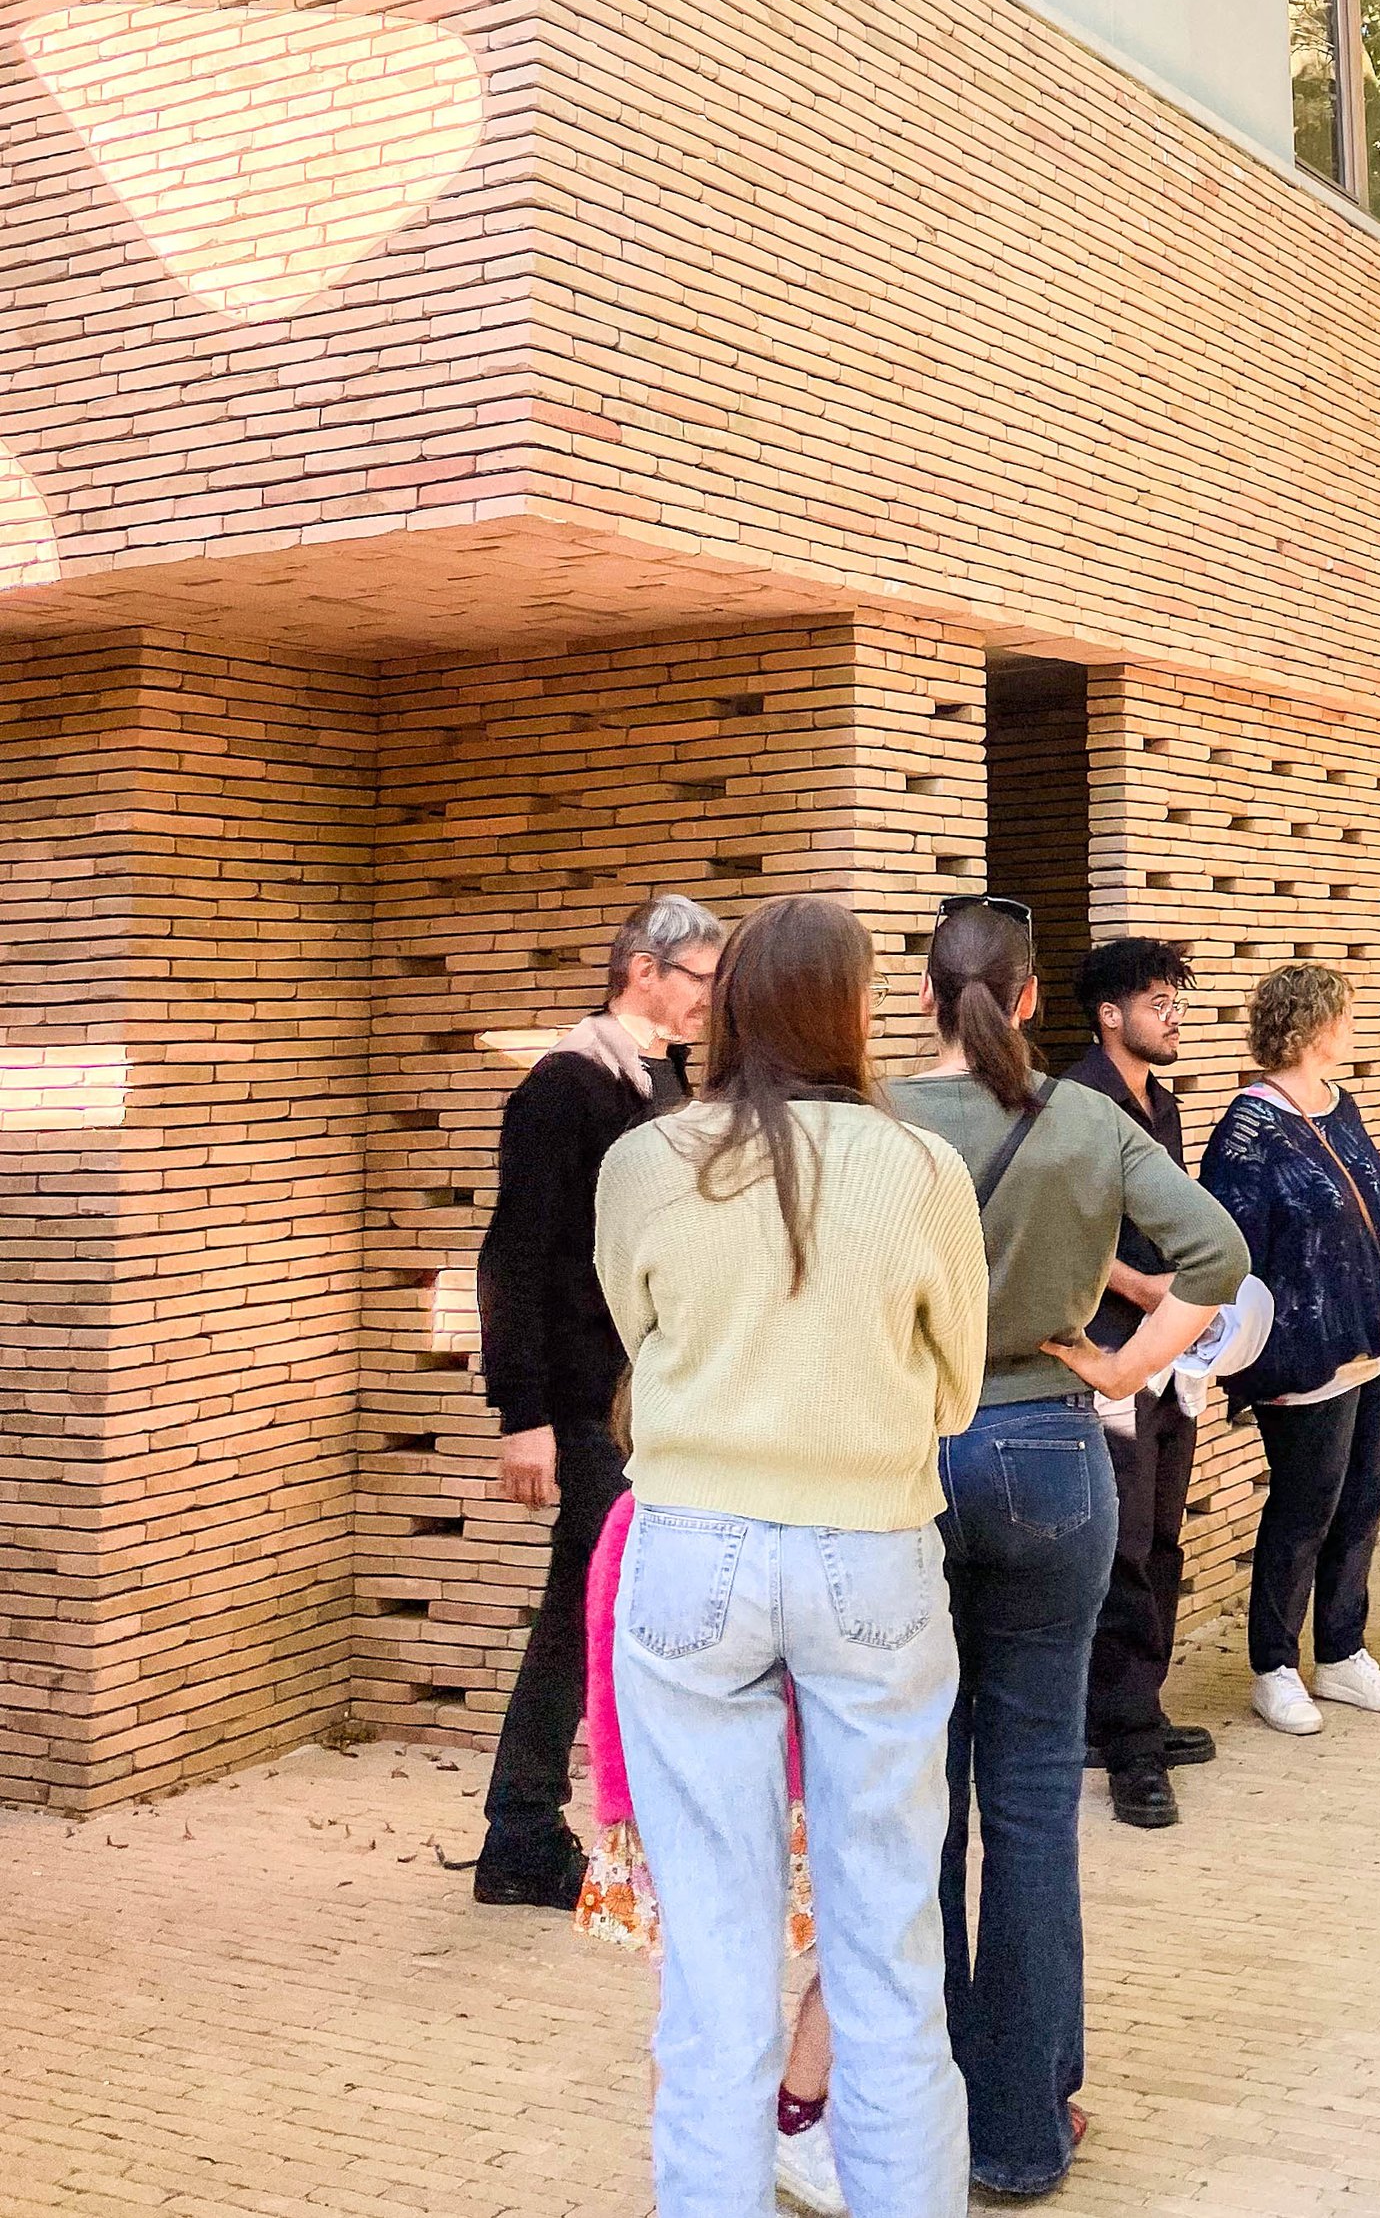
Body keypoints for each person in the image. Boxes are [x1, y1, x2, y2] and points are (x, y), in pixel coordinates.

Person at [594, 891, 990, 2218]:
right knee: (890, 1945)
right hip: (871, 1547)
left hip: (690, 1548)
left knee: (712, 1965)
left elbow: (637, 1342)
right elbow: (957, 1385)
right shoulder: (921, 1165)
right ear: (854, 1009)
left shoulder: (650, 1159)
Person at [894, 894, 1249, 2202]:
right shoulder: (1086, 1117)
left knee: (917, 1802)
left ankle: (908, 2115)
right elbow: (1219, 1253)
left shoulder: (874, 1120)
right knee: (1036, 1806)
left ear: (927, 994)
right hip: (1052, 1450)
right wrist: (1122, 1361)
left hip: (908, 1463)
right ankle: (1027, 2135)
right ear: (1038, 999)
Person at [473, 889, 723, 1907]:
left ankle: (541, 1829)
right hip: (583, 1400)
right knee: (584, 1611)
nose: (711, 997)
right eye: (698, 977)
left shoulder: (662, 1079)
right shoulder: (566, 1086)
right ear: (642, 971)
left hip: (646, 1394)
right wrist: (520, 1416)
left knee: (603, 1608)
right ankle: (521, 1833)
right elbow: (514, 1259)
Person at [574, 1394, 844, 2218]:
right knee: (698, 1998)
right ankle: (687, 2174)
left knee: (851, 1949)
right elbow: (604, 1671)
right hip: (675, 1802)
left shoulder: (773, 1511)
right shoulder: (634, 1521)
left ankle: (792, 2121)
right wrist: (620, 1801)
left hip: (791, 1790)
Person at [1198, 960, 1380, 1737]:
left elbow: (1378, 1215)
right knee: (1305, 1507)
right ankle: (1274, 1665)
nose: (1351, 1026)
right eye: (1342, 1014)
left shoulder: (1341, 1106)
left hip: (1368, 1338)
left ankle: (1341, 1651)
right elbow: (1229, 1245)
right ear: (1309, 1026)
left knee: (1363, 1499)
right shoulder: (1247, 1126)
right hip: (1301, 1352)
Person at [1066, 936, 1220, 1830]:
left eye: (1176, 1001)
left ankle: (1138, 1711)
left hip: (1169, 1352)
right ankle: (1127, 1748)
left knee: (1162, 1535)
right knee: (1121, 1547)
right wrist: (1145, 1288)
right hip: (1109, 1349)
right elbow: (1077, 1230)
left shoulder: (1159, 1101)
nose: (1175, 1016)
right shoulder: (1079, 1101)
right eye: (1160, 1001)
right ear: (1109, 1014)